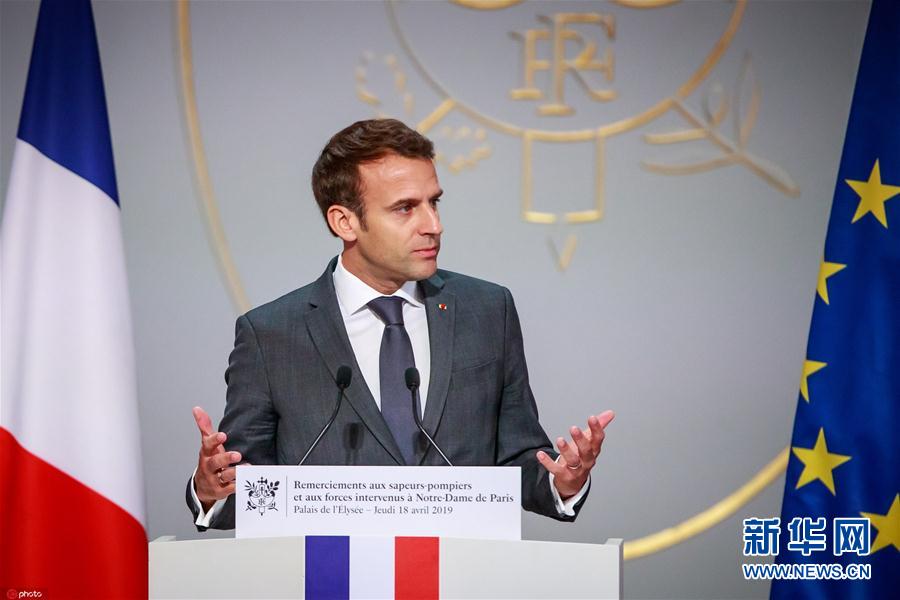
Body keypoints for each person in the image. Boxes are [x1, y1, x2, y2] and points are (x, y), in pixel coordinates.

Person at [187, 119, 614, 530]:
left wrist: (561, 482)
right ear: (345, 222)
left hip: (460, 566)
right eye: (405, 208)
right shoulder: (272, 334)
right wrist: (211, 490)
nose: (434, 225)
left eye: (434, 202)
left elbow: (518, 459)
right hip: (332, 569)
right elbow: (246, 487)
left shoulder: (487, 310)